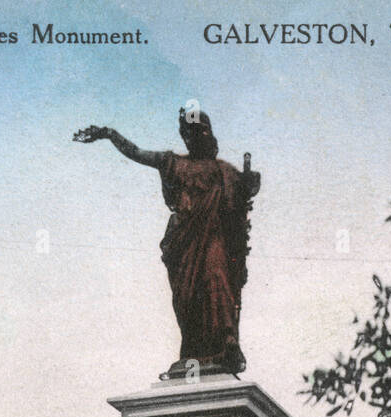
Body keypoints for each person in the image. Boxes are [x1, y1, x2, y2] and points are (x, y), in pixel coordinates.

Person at [74, 110, 260, 376]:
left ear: (209, 133)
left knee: (216, 279)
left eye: (201, 132)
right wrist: (109, 134)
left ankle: (226, 341)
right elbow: (137, 153)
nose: (196, 137)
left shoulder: (225, 171)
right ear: (185, 136)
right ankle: (196, 351)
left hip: (214, 239)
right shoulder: (173, 163)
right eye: (190, 133)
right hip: (184, 244)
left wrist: (249, 186)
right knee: (188, 297)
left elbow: (238, 208)